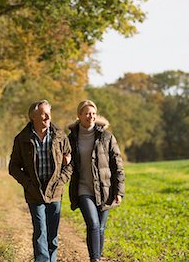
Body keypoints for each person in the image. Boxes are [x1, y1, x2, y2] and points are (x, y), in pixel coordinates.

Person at [9, 100, 72, 262]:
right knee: (40, 231)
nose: (48, 116)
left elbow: (71, 163)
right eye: (43, 114)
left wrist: (61, 180)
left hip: (55, 190)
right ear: (33, 117)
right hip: (34, 191)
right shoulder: (22, 139)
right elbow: (13, 167)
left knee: (52, 233)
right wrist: (28, 184)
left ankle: (51, 259)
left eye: (49, 113)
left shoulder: (60, 136)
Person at [68, 100, 125, 262]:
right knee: (93, 224)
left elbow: (118, 166)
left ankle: (97, 257)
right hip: (83, 189)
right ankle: (95, 259)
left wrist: (119, 192)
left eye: (93, 113)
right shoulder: (71, 138)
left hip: (105, 189)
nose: (90, 116)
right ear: (79, 115)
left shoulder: (107, 137)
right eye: (86, 113)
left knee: (100, 227)